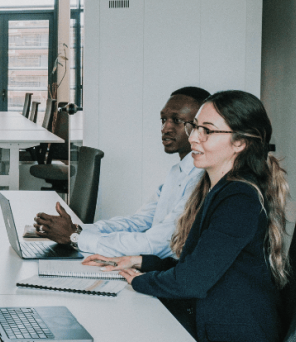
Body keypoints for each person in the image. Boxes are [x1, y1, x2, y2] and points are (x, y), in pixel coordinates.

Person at [89, 90, 289, 342]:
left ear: (239, 142)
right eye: (195, 127)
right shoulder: (220, 189)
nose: (194, 137)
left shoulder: (239, 199)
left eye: (207, 131)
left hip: (230, 334)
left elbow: (192, 281)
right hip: (216, 316)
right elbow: (197, 265)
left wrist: (142, 282)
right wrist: (142, 262)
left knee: (121, 335)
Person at [33, 87, 210, 257]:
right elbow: (138, 222)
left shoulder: (201, 179)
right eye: (164, 120)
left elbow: (158, 244)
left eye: (177, 121)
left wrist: (76, 237)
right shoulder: (177, 172)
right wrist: (78, 230)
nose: (165, 129)